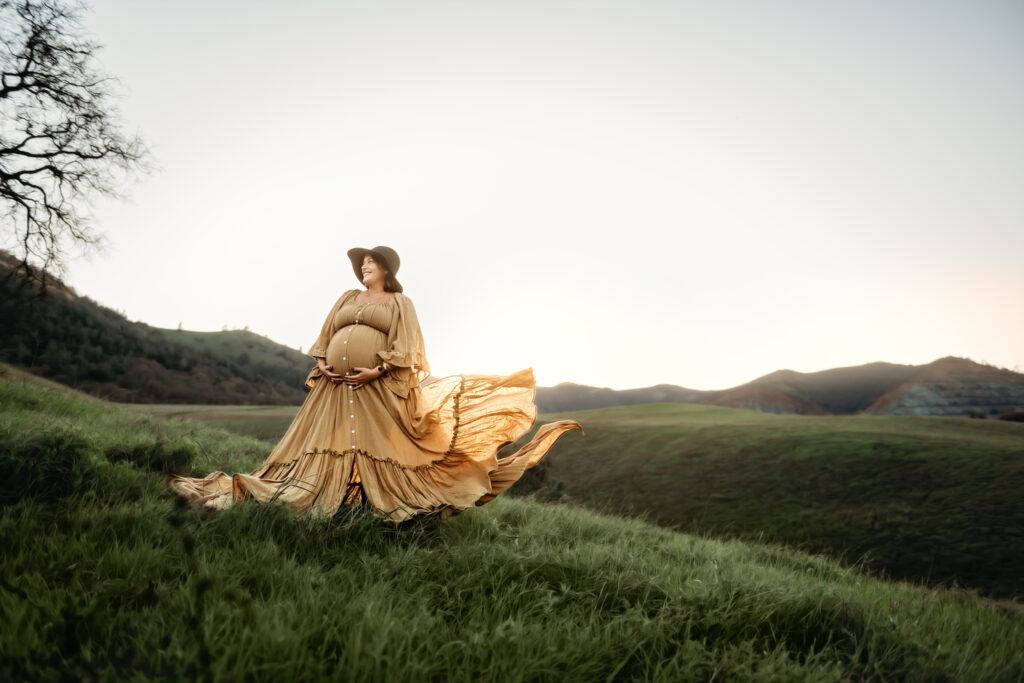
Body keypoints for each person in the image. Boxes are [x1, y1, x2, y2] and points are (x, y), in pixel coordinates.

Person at [166, 246, 581, 522]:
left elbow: (408, 347)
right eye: (360, 264)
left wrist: (377, 370)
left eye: (369, 263)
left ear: (385, 269)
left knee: (375, 446)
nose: (363, 268)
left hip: (375, 387)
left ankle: (367, 501)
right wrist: (325, 363)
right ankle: (328, 495)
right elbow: (325, 335)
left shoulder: (400, 303)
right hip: (335, 387)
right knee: (326, 446)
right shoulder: (346, 298)